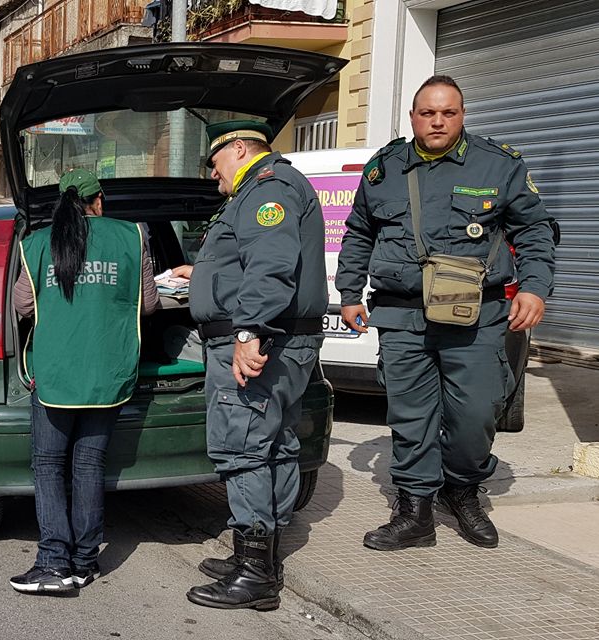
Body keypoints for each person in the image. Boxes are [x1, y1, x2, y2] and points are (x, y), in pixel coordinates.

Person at [336, 75, 556, 552]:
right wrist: (349, 291)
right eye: (427, 112)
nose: (437, 121)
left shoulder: (498, 165)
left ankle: (462, 489)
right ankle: (414, 510)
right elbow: (359, 233)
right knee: (410, 416)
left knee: (476, 414)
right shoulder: (383, 168)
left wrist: (535, 289)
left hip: (475, 316)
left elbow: (536, 230)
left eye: (448, 112)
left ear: (462, 116)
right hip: (401, 316)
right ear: (413, 116)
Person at [174, 120, 327, 611]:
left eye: (216, 164)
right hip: (284, 342)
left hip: (264, 345)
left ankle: (255, 572)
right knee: (276, 444)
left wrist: (247, 333)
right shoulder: (266, 189)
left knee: (243, 449)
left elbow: (271, 264)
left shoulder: (268, 190)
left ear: (238, 149)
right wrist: (204, 275)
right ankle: (263, 557)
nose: (214, 177)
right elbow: (253, 260)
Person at [9, 168, 158, 595]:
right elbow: (147, 306)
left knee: (49, 466)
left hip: (56, 375)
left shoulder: (38, 243)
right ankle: (84, 562)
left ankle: (54, 563)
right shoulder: (133, 235)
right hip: (110, 374)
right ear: (99, 201)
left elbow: (23, 304)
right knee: (89, 465)